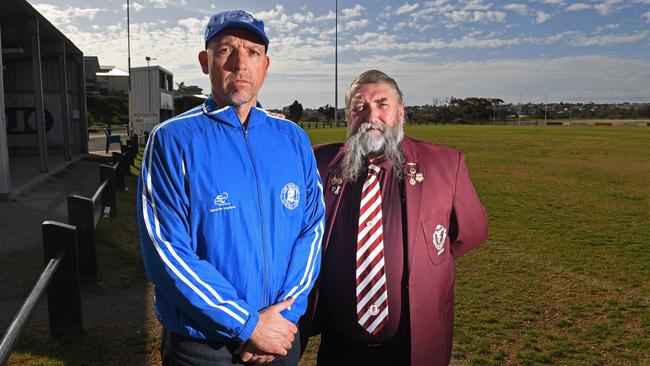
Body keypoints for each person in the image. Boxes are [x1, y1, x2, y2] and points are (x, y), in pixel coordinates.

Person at [137, 9, 324, 366]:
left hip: (280, 335)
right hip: (204, 347)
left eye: (253, 52)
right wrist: (247, 324)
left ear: (266, 65)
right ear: (205, 62)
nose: (241, 63)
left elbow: (311, 230)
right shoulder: (172, 140)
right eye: (226, 50)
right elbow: (166, 252)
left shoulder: (293, 139)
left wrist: (282, 317)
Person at [301, 70, 488, 365]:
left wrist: (425, 262)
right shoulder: (317, 163)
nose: (371, 116)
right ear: (348, 115)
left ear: (401, 111)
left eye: (382, 104)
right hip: (339, 345)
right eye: (359, 106)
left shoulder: (446, 164)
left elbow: (470, 233)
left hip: (411, 347)